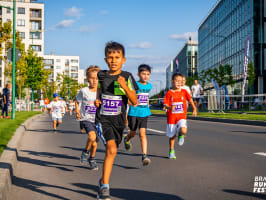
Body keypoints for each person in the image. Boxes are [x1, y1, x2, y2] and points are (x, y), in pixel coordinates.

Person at [95, 41, 138, 200]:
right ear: (106, 59)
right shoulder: (101, 75)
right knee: (111, 149)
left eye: (117, 57)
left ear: (123, 60)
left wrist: (125, 87)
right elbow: (100, 88)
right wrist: (97, 99)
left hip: (119, 122)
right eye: (110, 57)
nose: (113, 60)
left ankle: (101, 181)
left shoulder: (127, 77)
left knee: (113, 150)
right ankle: (105, 187)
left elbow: (134, 101)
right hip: (103, 119)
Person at [124, 64, 152, 166]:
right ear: (138, 74)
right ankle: (126, 139)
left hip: (144, 113)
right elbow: (128, 97)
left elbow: (146, 96)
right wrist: (131, 103)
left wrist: (147, 103)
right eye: (143, 74)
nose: (145, 76)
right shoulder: (134, 85)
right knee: (133, 133)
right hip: (134, 113)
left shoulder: (149, 86)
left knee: (142, 134)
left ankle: (144, 155)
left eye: (148, 74)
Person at [163, 73, 197, 160]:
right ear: (172, 81)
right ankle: (171, 151)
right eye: (177, 81)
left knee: (184, 130)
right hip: (171, 118)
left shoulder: (184, 92)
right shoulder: (169, 93)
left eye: (180, 81)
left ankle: (181, 135)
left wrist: (194, 109)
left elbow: (190, 100)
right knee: (172, 136)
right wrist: (169, 107)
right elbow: (165, 104)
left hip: (181, 116)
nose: (179, 83)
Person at [75, 65, 101, 170]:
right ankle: (85, 152)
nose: (95, 81)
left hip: (97, 120)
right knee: (91, 137)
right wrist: (77, 110)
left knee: (94, 144)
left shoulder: (101, 91)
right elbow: (77, 100)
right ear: (87, 78)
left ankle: (92, 158)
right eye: (92, 78)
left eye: (97, 78)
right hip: (86, 119)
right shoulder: (84, 91)